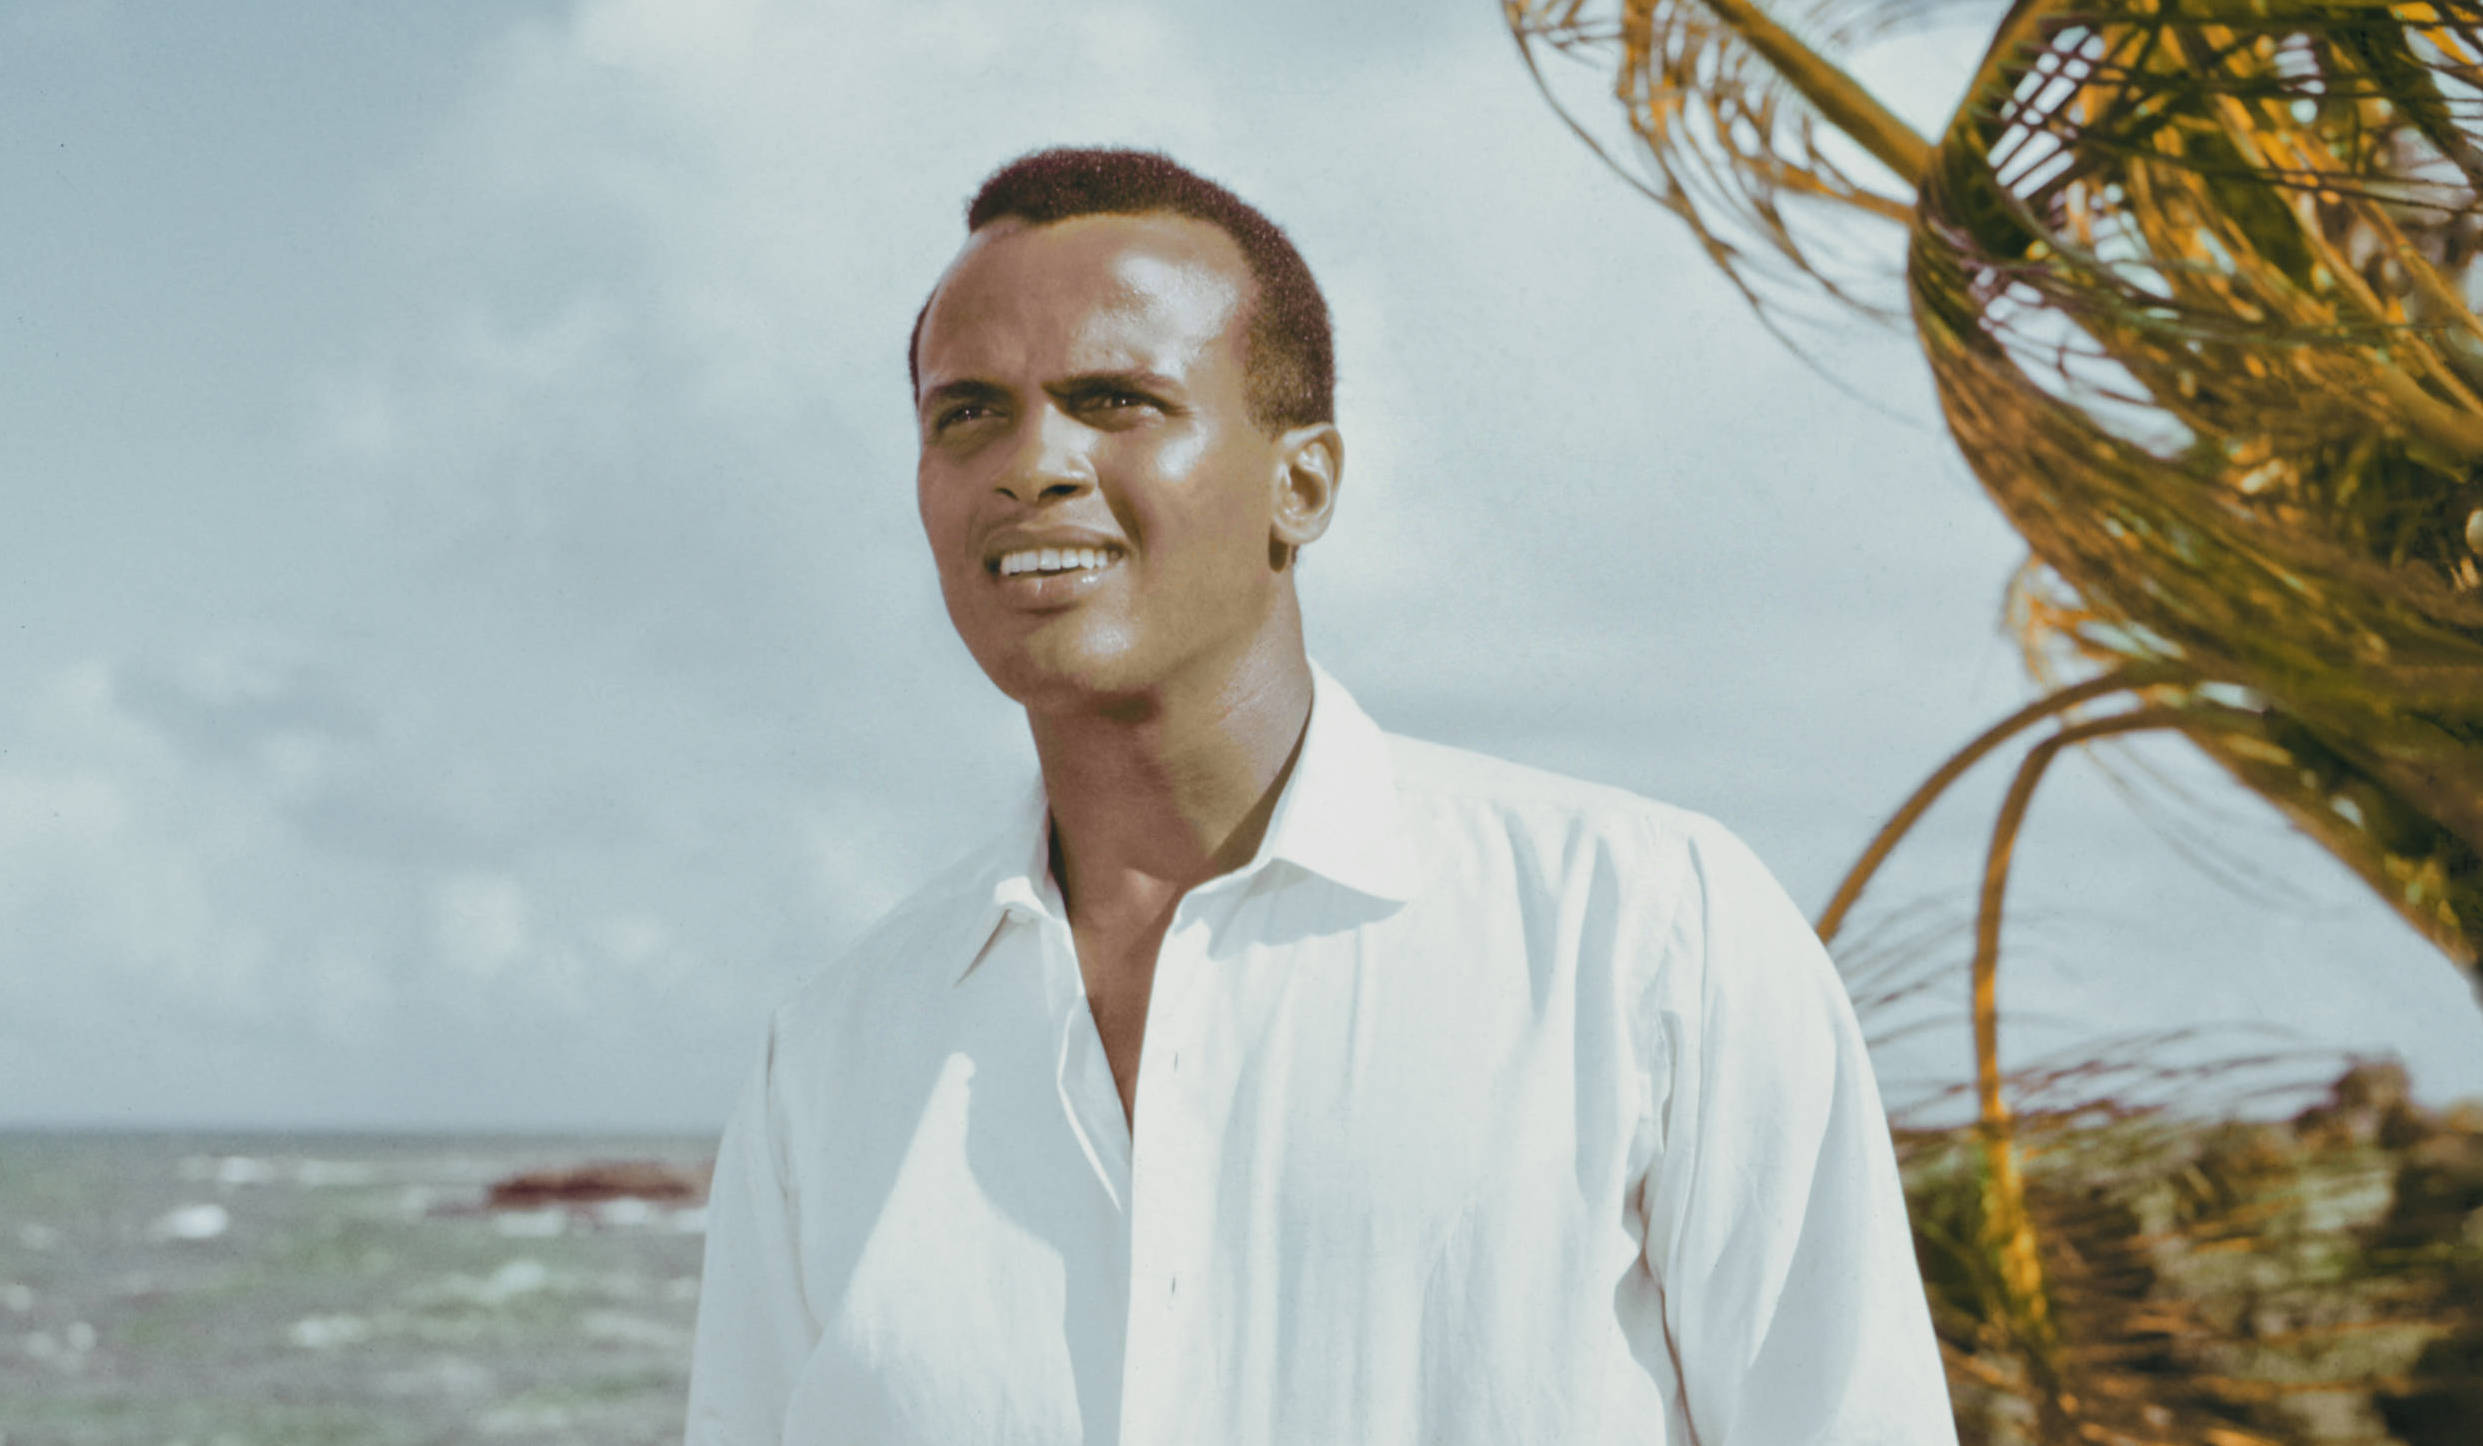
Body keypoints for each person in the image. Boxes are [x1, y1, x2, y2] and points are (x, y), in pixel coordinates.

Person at [685, 146, 1957, 1446]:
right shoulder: (829, 1060)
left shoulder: (1644, 933)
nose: (1032, 462)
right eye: (968, 412)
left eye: (1115, 398)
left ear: (1303, 484)